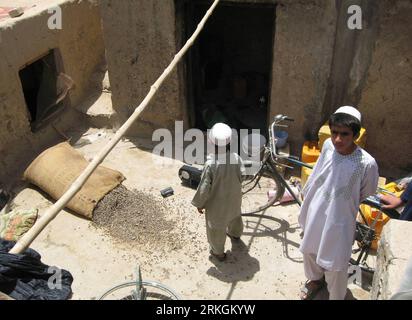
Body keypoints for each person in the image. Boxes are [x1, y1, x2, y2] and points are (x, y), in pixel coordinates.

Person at [298, 106, 379, 300]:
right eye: (334, 133)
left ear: (355, 135)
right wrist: (307, 194)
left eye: (345, 134)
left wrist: (342, 204)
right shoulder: (327, 146)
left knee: (336, 263)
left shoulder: (366, 163)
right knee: (310, 248)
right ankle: (315, 281)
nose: (338, 139)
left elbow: (367, 191)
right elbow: (318, 171)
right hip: (316, 208)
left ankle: (336, 296)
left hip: (340, 218)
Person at [191, 123, 245, 262]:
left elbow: (204, 187)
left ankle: (218, 253)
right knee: (235, 216)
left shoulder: (211, 164)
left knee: (216, 227)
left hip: (217, 204)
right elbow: (243, 175)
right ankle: (235, 235)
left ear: (211, 143)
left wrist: (199, 203)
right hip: (234, 199)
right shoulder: (236, 157)